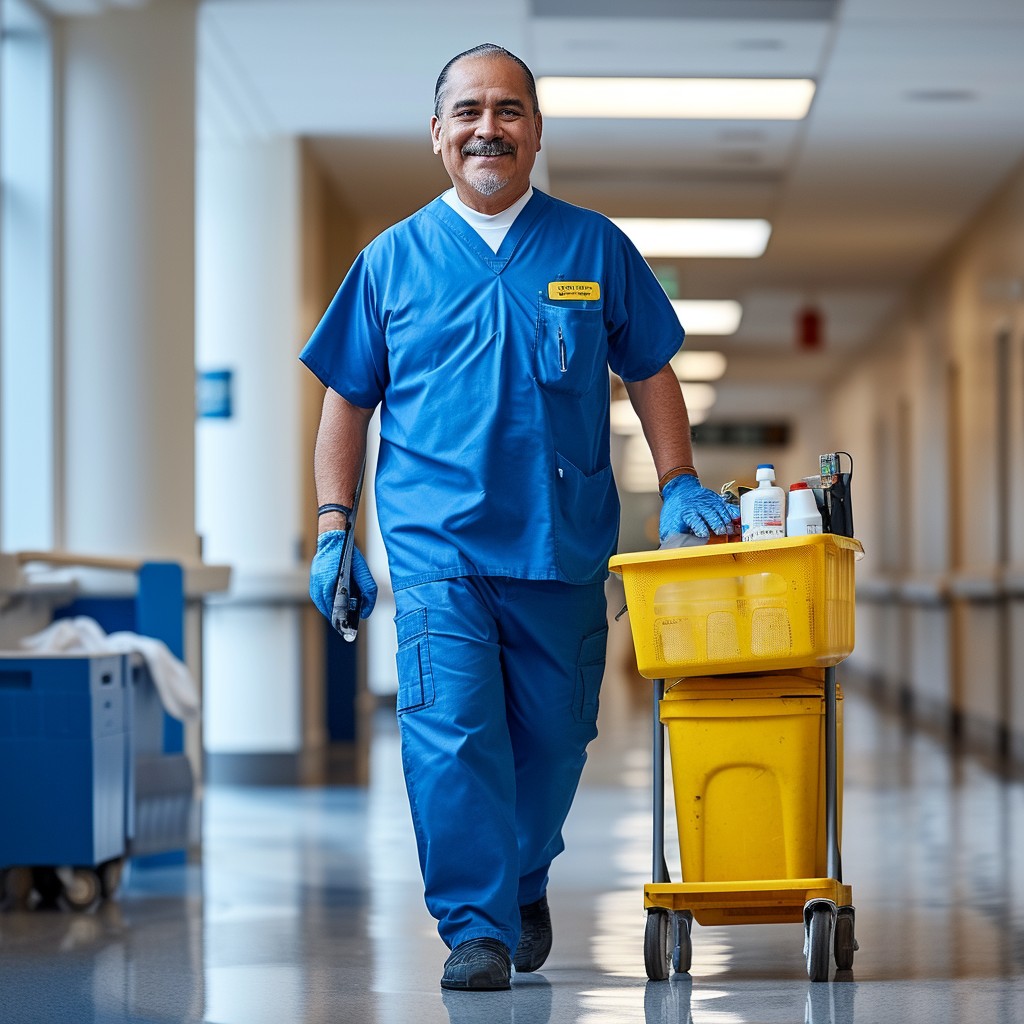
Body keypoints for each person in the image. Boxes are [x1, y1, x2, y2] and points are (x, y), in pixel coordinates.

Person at [300, 42, 734, 992]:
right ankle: (476, 927)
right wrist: (336, 525)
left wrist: (681, 482)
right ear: (437, 134)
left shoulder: (592, 246)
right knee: (451, 733)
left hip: (561, 545)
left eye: (507, 112)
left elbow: (650, 366)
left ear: (535, 132)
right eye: (467, 112)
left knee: (554, 741)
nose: (486, 129)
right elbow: (346, 400)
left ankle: (522, 873)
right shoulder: (391, 261)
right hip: (437, 550)